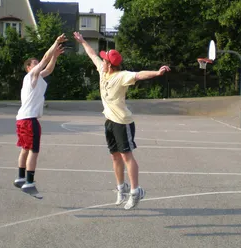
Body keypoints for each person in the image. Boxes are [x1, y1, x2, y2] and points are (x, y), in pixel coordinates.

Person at [73, 31, 171, 210]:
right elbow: (92, 54)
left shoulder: (121, 76)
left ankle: (136, 191)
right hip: (109, 121)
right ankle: (121, 188)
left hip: (122, 122)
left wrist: (157, 73)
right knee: (114, 156)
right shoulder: (103, 72)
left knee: (127, 156)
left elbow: (139, 74)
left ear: (110, 65)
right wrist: (82, 40)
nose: (102, 61)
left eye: (105, 60)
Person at [14, 33, 67, 198]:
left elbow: (49, 68)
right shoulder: (31, 76)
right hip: (29, 120)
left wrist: (55, 56)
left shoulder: (37, 78)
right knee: (34, 151)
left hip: (23, 118)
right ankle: (30, 182)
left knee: (25, 149)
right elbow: (45, 58)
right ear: (29, 67)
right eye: (35, 64)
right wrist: (55, 42)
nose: (38, 64)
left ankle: (21, 178)